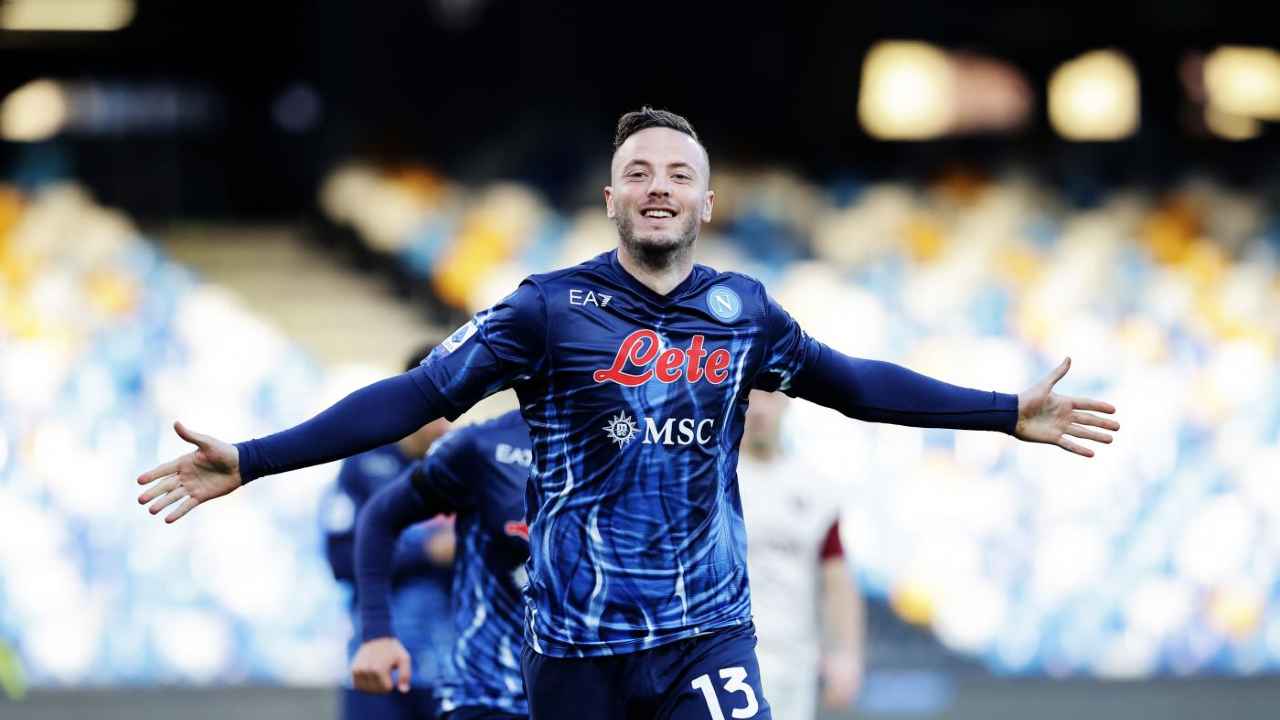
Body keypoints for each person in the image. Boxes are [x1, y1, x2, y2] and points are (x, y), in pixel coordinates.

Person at [136, 107, 1119, 719]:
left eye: (678, 175)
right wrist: (255, 457)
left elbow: (854, 384)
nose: (658, 189)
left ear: (706, 202)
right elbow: (416, 395)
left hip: (706, 632)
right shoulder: (546, 309)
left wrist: (1003, 412)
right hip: (575, 650)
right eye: (640, 174)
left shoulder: (743, 311)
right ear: (611, 198)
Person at [350, 409, 532, 720]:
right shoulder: (480, 446)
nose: (443, 426)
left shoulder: (615, 446)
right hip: (485, 688)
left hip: (576, 683)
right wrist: (376, 633)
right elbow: (370, 527)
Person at [321, 346, 456, 720]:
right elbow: (341, 560)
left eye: (452, 414)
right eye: (437, 414)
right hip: (378, 667)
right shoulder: (363, 467)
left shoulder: (464, 468)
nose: (444, 426)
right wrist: (427, 552)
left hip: (450, 671)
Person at [737, 390, 863, 720]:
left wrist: (845, 653)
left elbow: (836, 579)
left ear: (786, 400)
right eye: (751, 397)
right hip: (728, 659)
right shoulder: (711, 483)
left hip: (794, 662)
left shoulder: (817, 489)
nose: (759, 409)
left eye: (769, 396)